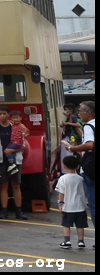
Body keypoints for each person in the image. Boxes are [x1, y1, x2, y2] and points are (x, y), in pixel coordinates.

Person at [65, 100, 94, 245]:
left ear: (88, 113)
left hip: (91, 169)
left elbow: (90, 144)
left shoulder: (89, 126)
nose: (79, 114)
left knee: (93, 204)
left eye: (80, 111)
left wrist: (72, 148)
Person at [0, 105, 29, 220]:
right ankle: (4, 210)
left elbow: (23, 145)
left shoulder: (15, 126)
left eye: (4, 114)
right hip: (1, 159)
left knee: (16, 184)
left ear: (8, 115)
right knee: (4, 184)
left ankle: (19, 210)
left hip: (15, 159)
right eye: (0, 114)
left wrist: (11, 150)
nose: (2, 116)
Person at [56, 154, 88, 249]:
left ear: (64, 166)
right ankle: (81, 241)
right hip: (80, 206)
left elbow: (61, 193)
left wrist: (60, 204)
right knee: (80, 225)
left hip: (68, 206)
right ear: (78, 166)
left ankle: (67, 241)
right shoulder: (81, 179)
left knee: (66, 224)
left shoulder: (63, 178)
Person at [5, 109, 30, 174]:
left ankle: (11, 163)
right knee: (12, 152)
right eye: (14, 118)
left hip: (18, 142)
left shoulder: (21, 126)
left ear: (20, 118)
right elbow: (9, 121)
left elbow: (27, 131)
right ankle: (14, 166)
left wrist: (25, 135)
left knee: (7, 150)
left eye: (17, 118)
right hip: (14, 142)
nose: (15, 119)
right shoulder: (13, 124)